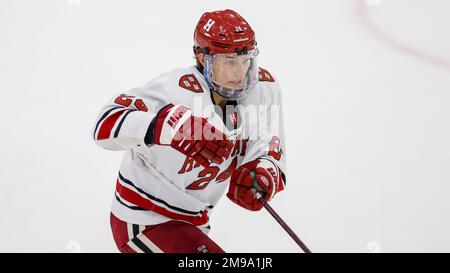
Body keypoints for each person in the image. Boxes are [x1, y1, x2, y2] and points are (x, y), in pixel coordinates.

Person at [92, 9, 287, 253]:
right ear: (203, 59)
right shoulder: (174, 90)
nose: (240, 73)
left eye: (246, 60)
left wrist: (263, 175)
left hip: (194, 222)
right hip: (144, 219)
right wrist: (164, 126)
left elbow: (270, 151)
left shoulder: (264, 90)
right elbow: (104, 123)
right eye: (229, 62)